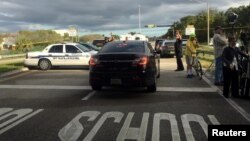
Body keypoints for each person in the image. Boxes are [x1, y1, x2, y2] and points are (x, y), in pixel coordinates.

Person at [222, 34, 249, 98]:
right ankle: (225, 93)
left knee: (235, 81)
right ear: (230, 41)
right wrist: (229, 64)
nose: (234, 42)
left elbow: (242, 54)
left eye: (235, 41)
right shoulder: (226, 49)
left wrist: (248, 56)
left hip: (235, 67)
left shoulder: (236, 49)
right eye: (233, 41)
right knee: (227, 81)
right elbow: (223, 58)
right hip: (227, 67)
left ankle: (235, 93)